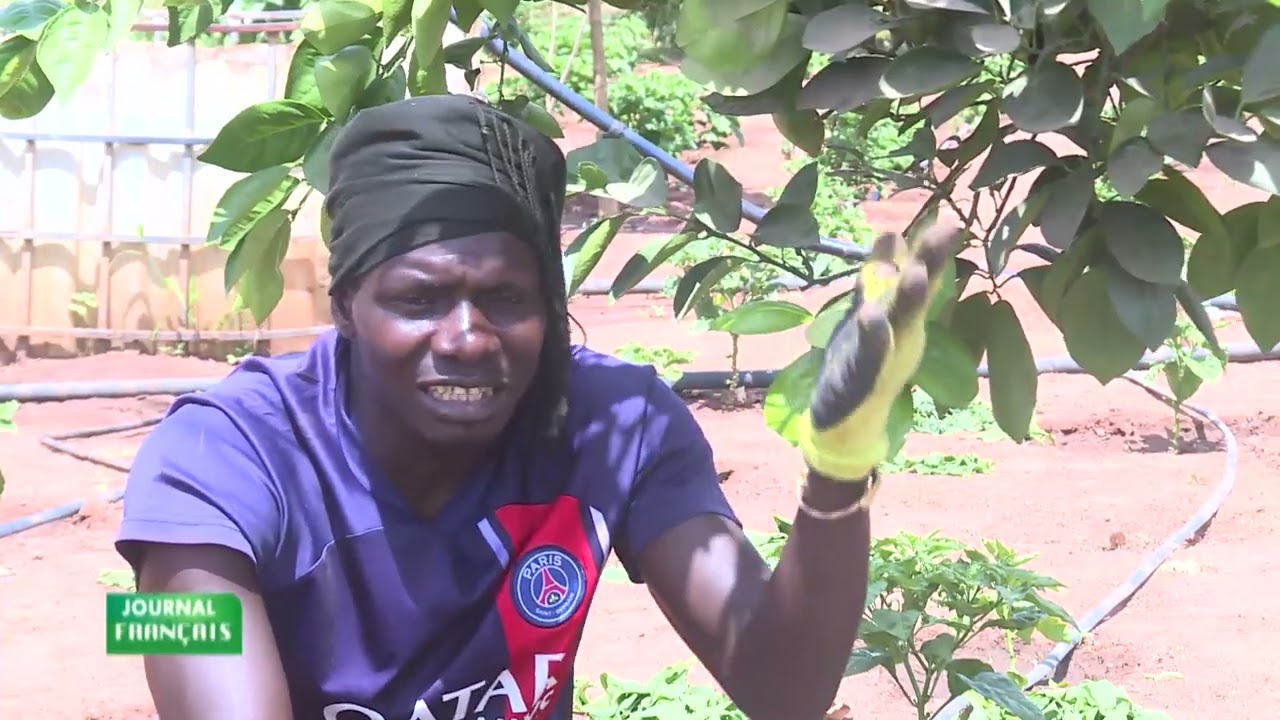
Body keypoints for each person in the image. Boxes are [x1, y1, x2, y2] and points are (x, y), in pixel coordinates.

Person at [114, 93, 954, 720]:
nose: (470, 337)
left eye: (508, 298)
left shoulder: (617, 422)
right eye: (420, 300)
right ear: (343, 308)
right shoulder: (211, 457)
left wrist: (841, 465)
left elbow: (785, 687)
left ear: (552, 309)